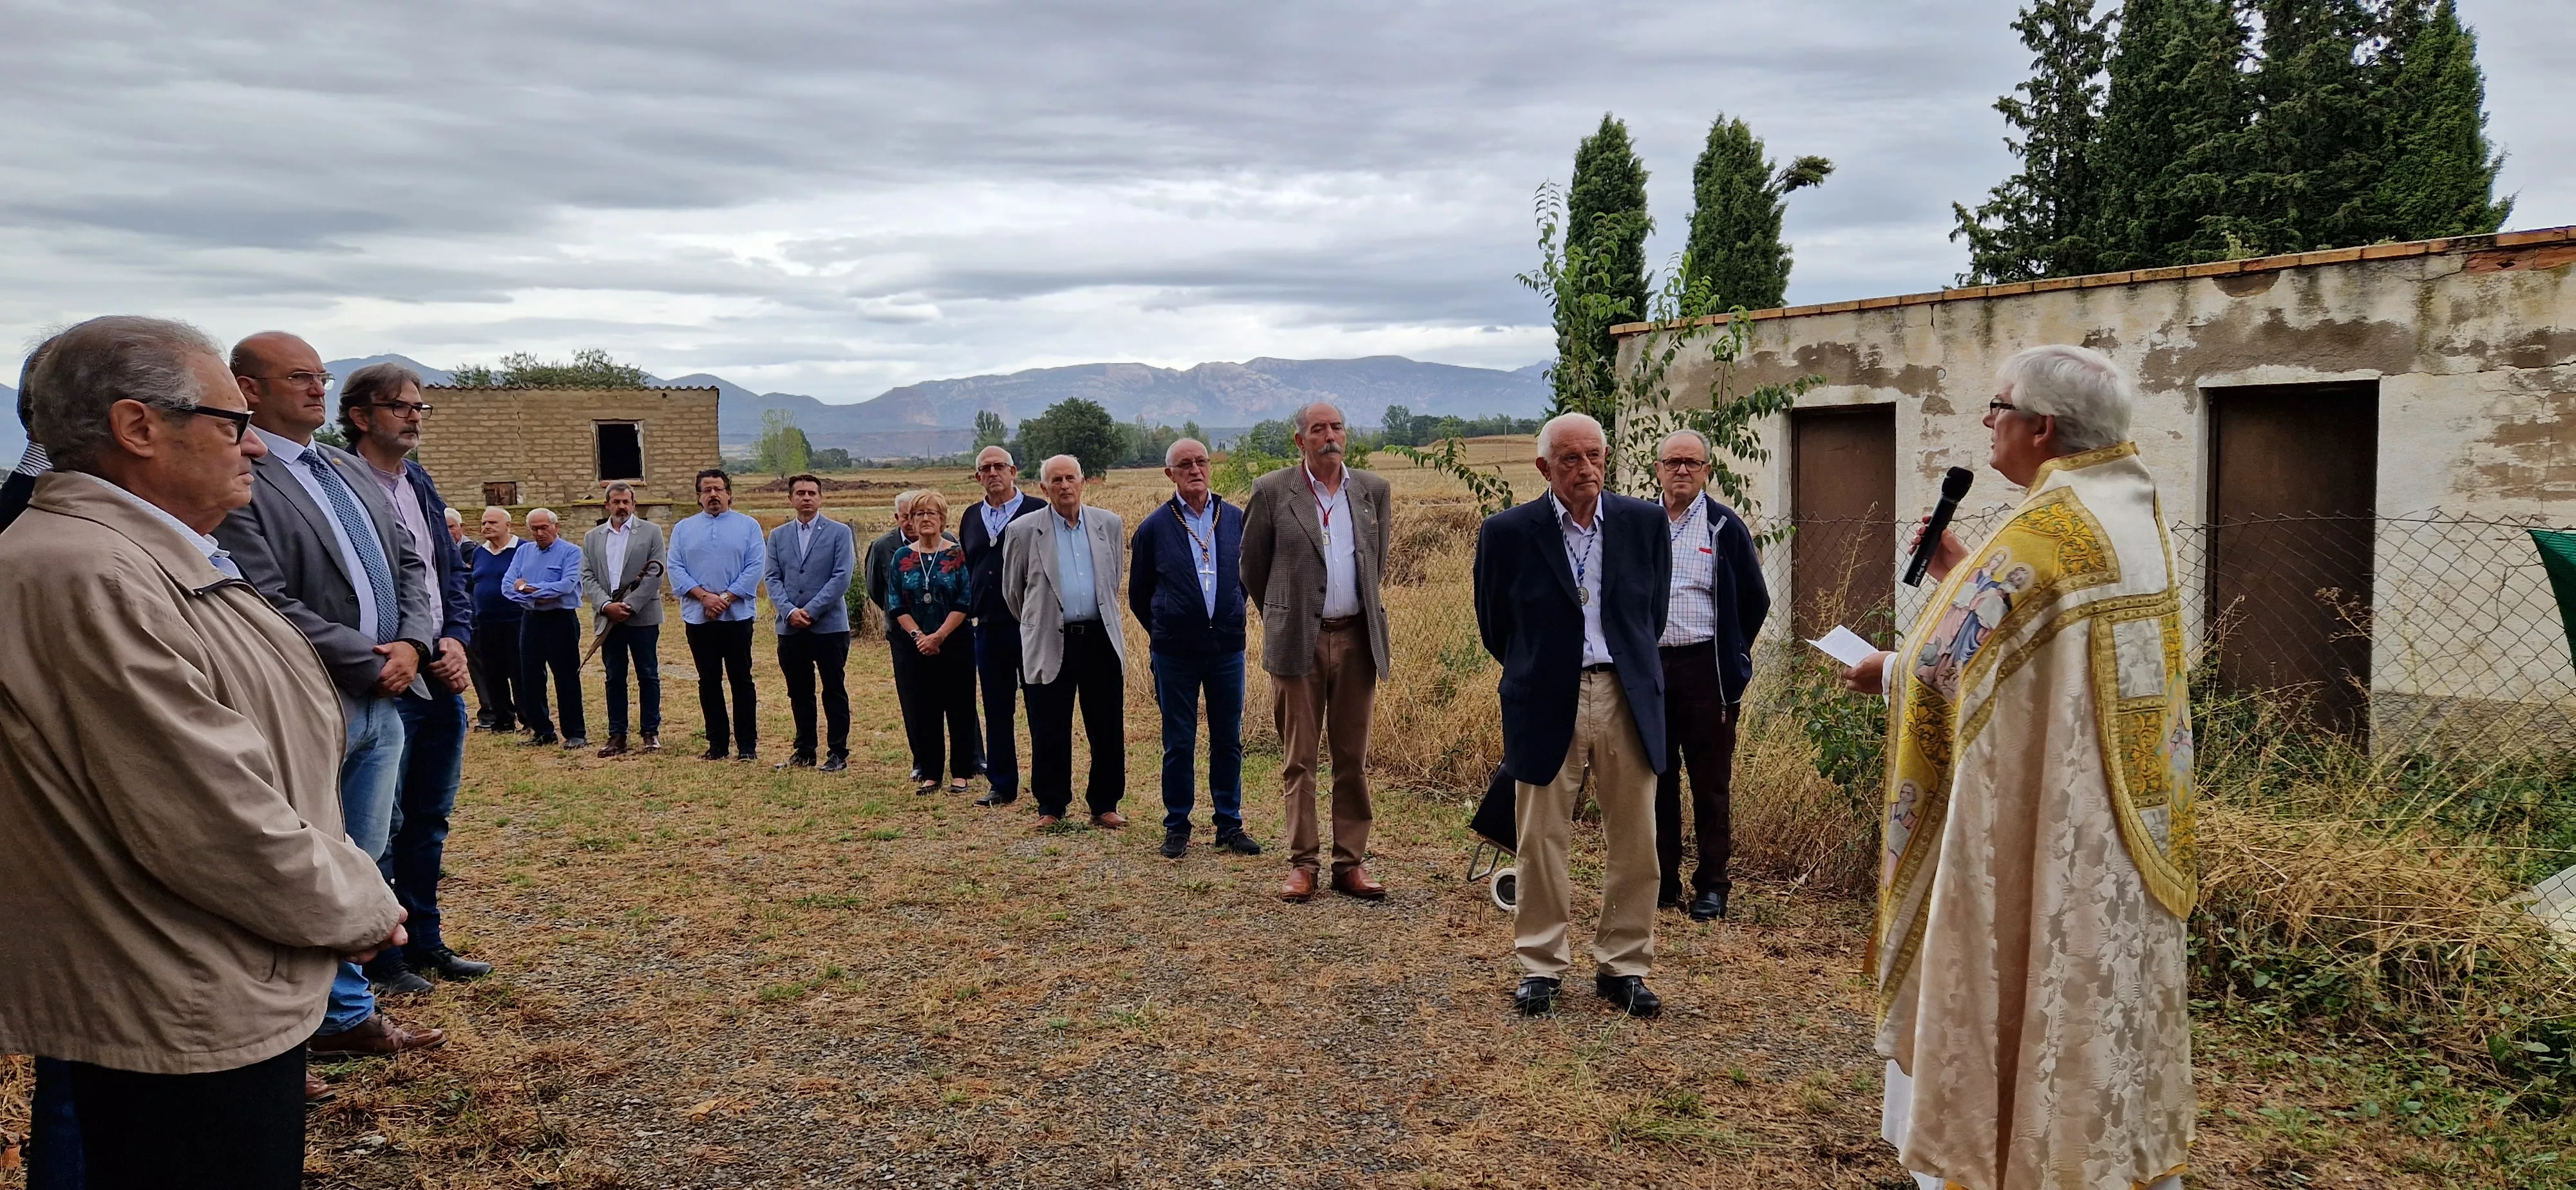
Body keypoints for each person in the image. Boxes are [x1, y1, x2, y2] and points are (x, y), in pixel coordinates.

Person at [1, 315, 405, 1187]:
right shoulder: (95, 575)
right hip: (179, 997)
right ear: (138, 427)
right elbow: (208, 818)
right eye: (233, 422)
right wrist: (359, 907)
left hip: (210, 977)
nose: (254, 446)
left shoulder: (136, 557)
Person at [1839, 345, 2193, 1190]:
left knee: (2012, 972)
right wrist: (1964, 571)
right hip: (2110, 829)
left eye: (1998, 407)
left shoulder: (2042, 532)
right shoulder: (2130, 510)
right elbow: (2037, 651)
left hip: (2035, 828)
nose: (1987, 422)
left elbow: (1943, 666)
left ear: (2041, 427)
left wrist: (1883, 670)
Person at [215, 330, 444, 1059]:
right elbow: (262, 594)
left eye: (320, 376)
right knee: (306, 855)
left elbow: (409, 563)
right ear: (248, 390)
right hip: (312, 695)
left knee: (365, 854)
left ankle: (343, 1014)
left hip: (385, 696)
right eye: (299, 378)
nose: (318, 388)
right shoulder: (242, 475)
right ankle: (297, 1022)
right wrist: (367, 661)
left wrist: (413, 646)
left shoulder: (343, 467)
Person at [1472, 412, 1671, 1018]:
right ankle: (1541, 964)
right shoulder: (1508, 532)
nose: (1586, 469)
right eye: (1570, 460)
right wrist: (1543, 668)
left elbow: (1652, 615)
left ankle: (1623, 965)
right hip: (1543, 697)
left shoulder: (1644, 523)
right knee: (1540, 838)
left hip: (1625, 696)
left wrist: (1617, 666)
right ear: (1544, 467)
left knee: (1636, 838)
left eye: (1595, 457)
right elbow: (1496, 626)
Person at [338, 363, 493, 996]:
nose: (413, 416)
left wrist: (455, 637)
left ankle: (426, 941)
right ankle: (381, 954)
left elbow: (447, 574)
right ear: (360, 416)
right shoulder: (340, 483)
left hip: (438, 673)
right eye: (400, 406)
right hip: (389, 673)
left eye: (418, 406)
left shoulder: (418, 481)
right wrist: (413, 644)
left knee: (430, 817)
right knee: (381, 823)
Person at [1240, 402, 1392, 902]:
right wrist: (1286, 612)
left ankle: (1350, 863)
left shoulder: (1372, 491)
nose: (1330, 436)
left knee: (1352, 758)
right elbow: (1252, 567)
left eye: (1337, 427)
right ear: (1300, 439)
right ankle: (1302, 864)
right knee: (1299, 759)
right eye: (1319, 429)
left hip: (1357, 640)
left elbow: (1375, 564)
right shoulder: (1271, 491)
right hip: (1296, 641)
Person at [1648, 429, 1770, 922]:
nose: (1682, 470)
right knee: (1656, 780)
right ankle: (1662, 881)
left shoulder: (1724, 527)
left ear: (1707, 472)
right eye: (1673, 462)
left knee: (1710, 784)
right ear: (1658, 469)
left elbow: (1755, 601)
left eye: (1692, 463)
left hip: (1706, 672)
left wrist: (1733, 658)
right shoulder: (1640, 524)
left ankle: (1713, 886)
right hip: (1651, 672)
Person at [1130, 438, 1262, 860]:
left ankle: (1229, 824)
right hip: (1175, 653)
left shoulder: (1236, 519)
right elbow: (1139, 595)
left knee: (1228, 739)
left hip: (1226, 649)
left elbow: (1247, 578)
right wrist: (1169, 626)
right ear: (1169, 473)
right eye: (1184, 464)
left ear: (1210, 467)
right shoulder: (1154, 527)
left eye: (1201, 462)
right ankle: (1177, 826)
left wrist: (1229, 613)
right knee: (1179, 741)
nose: (1195, 470)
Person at [999, 455, 1129, 829]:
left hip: (1099, 639)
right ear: (1044, 488)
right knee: (1049, 726)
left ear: (1083, 482)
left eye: (1070, 478)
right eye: (1056, 480)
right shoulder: (1023, 531)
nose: (1065, 486)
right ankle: (1051, 805)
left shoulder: (1109, 524)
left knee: (1106, 727)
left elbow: (1114, 579)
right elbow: (1013, 593)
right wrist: (1042, 621)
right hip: (1050, 640)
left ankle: (1105, 804)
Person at [960, 446, 1045, 806]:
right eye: (986, 468)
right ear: (978, 477)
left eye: (1000, 466)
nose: (993, 473)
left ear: (1014, 471)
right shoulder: (970, 517)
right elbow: (969, 565)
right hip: (988, 627)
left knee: (1040, 707)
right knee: (996, 708)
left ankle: (1047, 787)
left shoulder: (1038, 510)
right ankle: (1002, 784)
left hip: (1031, 625)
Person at [888, 489, 982, 794]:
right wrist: (920, 636)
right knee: (924, 708)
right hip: (917, 645)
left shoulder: (957, 554)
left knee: (960, 707)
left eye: (932, 513)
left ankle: (961, 772)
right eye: (919, 514)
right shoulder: (902, 557)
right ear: (911, 520)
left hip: (955, 642)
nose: (926, 519)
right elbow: (895, 603)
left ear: (943, 519)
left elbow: (965, 599)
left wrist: (940, 635)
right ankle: (931, 772)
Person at [668, 468, 765, 762]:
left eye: (718, 489)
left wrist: (724, 598)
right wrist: (704, 597)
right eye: (707, 490)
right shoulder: (683, 529)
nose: (713, 495)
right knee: (708, 681)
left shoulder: (748, 526)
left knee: (741, 680)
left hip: (737, 617)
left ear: (729, 494)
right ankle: (717, 744)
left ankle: (747, 745)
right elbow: (675, 567)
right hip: (699, 618)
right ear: (698, 497)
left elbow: (755, 566)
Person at [766, 473, 857, 771]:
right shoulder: (778, 536)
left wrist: (812, 610)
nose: (806, 498)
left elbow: (841, 577)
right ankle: (804, 751)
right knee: (799, 691)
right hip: (791, 628)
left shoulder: (839, 533)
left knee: (833, 689)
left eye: (812, 493)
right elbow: (772, 578)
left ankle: (838, 753)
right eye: (800, 493)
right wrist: (789, 611)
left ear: (821, 498)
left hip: (829, 627)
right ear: (790, 498)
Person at [583, 482, 666, 756]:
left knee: (648, 674)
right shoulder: (592, 537)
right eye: (616, 502)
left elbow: (656, 574)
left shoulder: (651, 532)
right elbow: (587, 576)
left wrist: (629, 606)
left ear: (634, 504)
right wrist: (607, 605)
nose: (621, 506)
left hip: (642, 617)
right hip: (609, 619)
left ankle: (650, 733)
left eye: (626, 502)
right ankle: (617, 735)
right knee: (614, 676)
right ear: (607, 504)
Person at [504, 508, 587, 749]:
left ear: (556, 527)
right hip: (531, 620)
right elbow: (507, 586)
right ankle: (542, 731)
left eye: (544, 527)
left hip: (561, 620)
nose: (540, 533)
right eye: (535, 529)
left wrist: (526, 588)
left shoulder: (571, 552)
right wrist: (537, 595)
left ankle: (575, 733)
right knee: (530, 677)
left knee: (566, 676)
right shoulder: (523, 552)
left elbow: (566, 586)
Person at [862, 491, 924, 777]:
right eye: (905, 517)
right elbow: (876, 590)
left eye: (917, 515)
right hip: (902, 636)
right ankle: (921, 760)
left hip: (943, 633)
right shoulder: (882, 547)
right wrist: (901, 617)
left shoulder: (948, 542)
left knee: (956, 696)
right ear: (897, 517)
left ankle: (973, 757)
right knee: (912, 698)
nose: (912, 522)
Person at [466, 507, 524, 733]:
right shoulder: (479, 553)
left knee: (519, 671)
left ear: (508, 525)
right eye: (484, 523)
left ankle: (528, 718)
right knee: (493, 672)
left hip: (517, 619)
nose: (486, 527)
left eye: (492, 523)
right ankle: (503, 719)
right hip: (486, 621)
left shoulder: (522, 549)